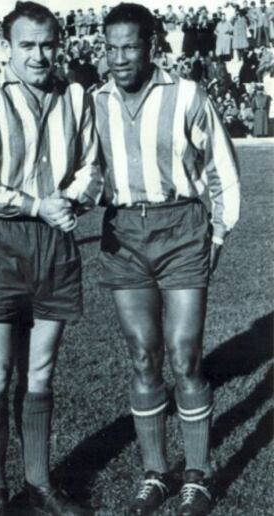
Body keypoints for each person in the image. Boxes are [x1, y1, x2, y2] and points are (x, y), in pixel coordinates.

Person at [0, 2, 102, 515]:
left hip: (54, 246)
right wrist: (37, 203)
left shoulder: (77, 96)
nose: (40, 55)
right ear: (6, 48)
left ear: (60, 44)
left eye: (48, 44)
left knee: (41, 369)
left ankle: (39, 485)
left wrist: (70, 201)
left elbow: (91, 165)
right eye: (27, 45)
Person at [94, 4, 240, 516]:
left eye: (129, 46)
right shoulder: (94, 103)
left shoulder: (186, 96)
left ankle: (196, 475)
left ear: (150, 46)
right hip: (124, 234)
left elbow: (222, 165)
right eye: (110, 47)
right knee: (142, 354)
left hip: (181, 228)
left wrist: (217, 236)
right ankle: (155, 472)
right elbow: (84, 171)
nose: (118, 57)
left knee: (185, 355)